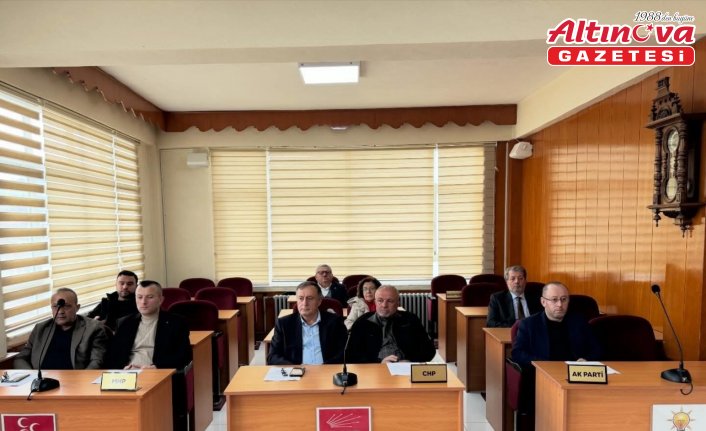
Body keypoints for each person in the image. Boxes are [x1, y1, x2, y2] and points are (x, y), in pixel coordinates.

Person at [511, 281, 601, 368]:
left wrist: (586, 360)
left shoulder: (579, 322)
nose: (560, 304)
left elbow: (596, 350)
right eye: (554, 300)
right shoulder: (529, 324)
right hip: (543, 373)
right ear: (543, 302)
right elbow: (517, 354)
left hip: (575, 372)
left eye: (564, 299)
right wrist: (543, 364)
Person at [15, 288, 109, 370]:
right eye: (55, 306)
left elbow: (97, 361)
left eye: (66, 306)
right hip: (41, 381)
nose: (60, 311)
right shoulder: (40, 329)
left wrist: (81, 380)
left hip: (74, 381)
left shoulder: (93, 328)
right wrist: (32, 376)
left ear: (77, 308)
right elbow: (21, 358)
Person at [107, 280, 191, 370]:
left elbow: (184, 356)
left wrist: (156, 367)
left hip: (158, 372)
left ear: (161, 300)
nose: (143, 302)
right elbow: (114, 355)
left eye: (150, 297)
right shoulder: (124, 322)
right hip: (128, 373)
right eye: (139, 297)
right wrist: (122, 369)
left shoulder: (176, 322)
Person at [347, 285, 435, 363]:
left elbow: (429, 351)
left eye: (390, 301)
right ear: (375, 302)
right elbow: (351, 355)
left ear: (398, 303)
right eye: (380, 300)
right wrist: (379, 362)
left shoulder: (410, 320)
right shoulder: (362, 322)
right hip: (375, 369)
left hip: (406, 367)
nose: (384, 305)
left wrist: (411, 361)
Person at [267, 281, 347, 365]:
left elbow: (344, 353)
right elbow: (272, 357)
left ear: (319, 301)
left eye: (310, 298)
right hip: (296, 371)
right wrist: (295, 368)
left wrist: (324, 368)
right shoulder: (284, 324)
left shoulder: (335, 322)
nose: (305, 303)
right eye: (301, 298)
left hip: (326, 370)